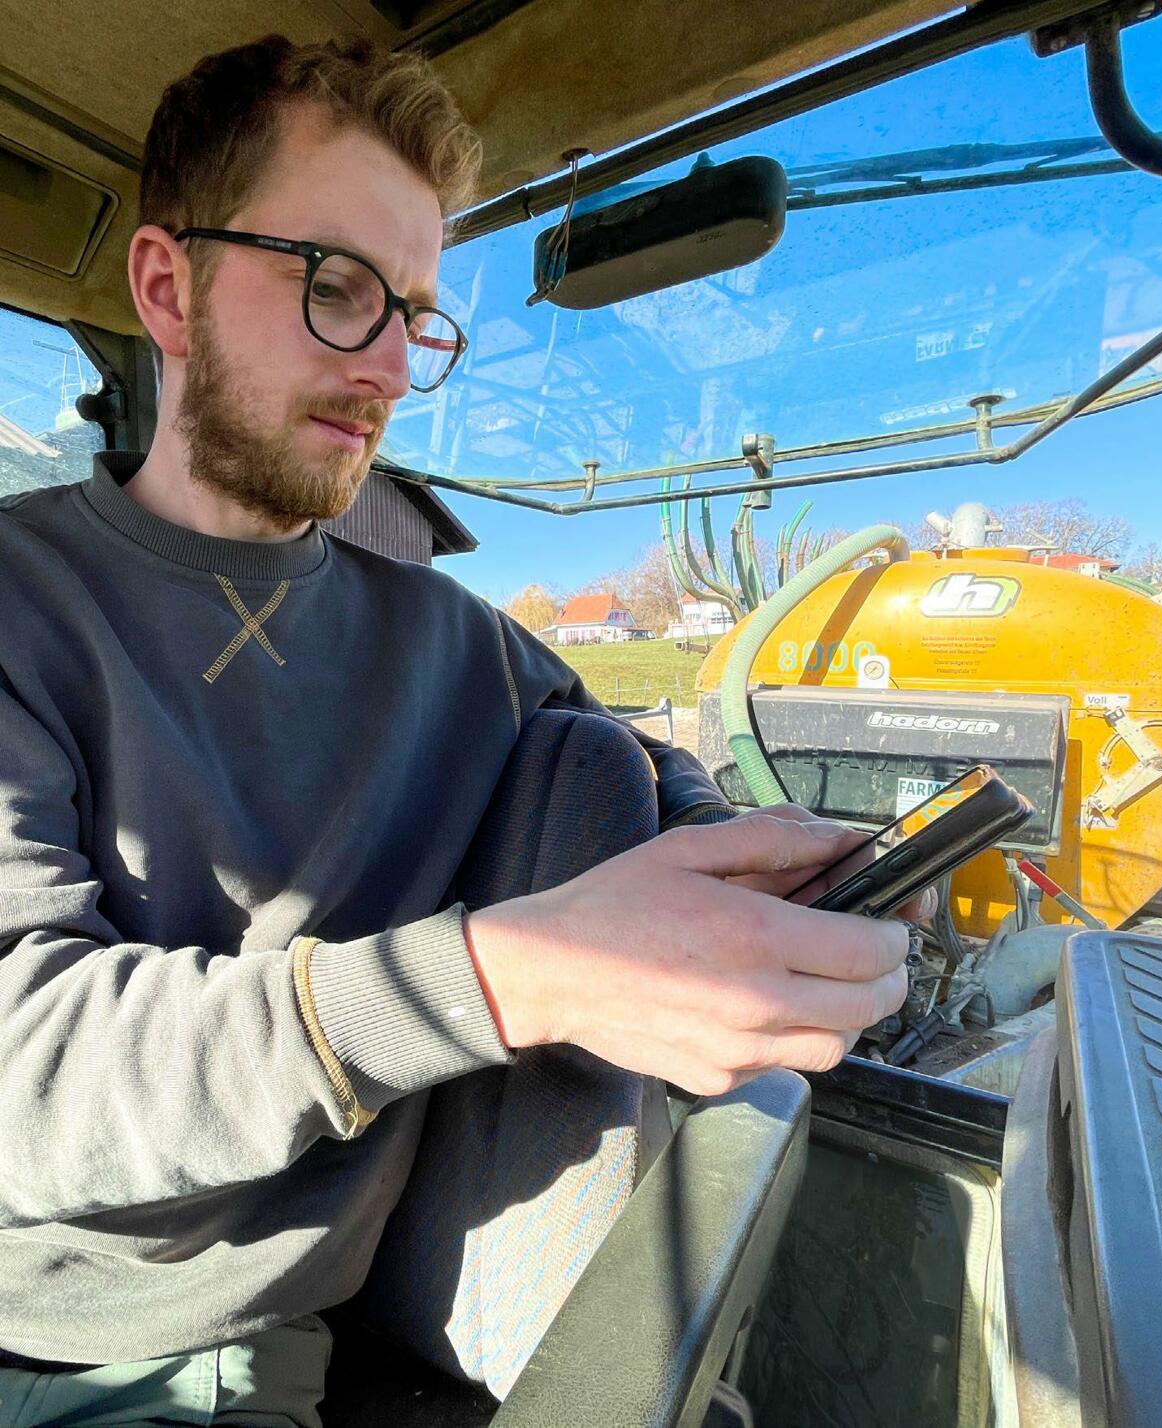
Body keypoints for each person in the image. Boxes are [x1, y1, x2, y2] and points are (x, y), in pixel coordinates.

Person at [0, 34, 924, 1427]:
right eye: (338, 288)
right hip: (85, 1350)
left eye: (415, 318)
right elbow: (31, 1081)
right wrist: (522, 974)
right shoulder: (22, 603)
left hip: (312, 1322)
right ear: (165, 287)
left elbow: (622, 753)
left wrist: (739, 861)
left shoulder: (455, 640)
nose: (384, 365)